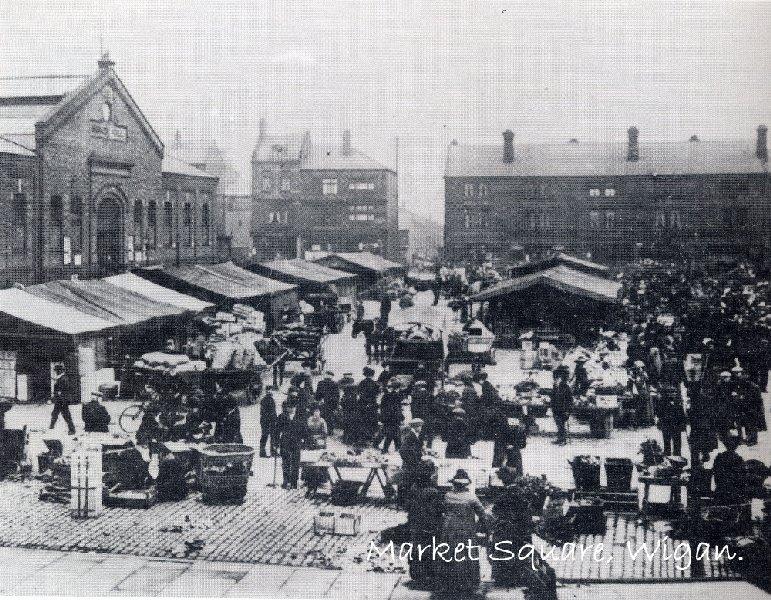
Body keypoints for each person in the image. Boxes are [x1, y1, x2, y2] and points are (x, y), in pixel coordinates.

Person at [434, 469, 486, 593]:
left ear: (454, 484)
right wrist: (483, 528)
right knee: (467, 557)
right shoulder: (472, 498)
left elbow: (440, 511)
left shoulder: (447, 496)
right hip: (466, 531)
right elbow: (483, 515)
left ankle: (448, 584)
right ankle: (467, 584)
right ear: (466, 484)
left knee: (449, 555)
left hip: (449, 531)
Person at [491, 466, 534, 585]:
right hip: (518, 527)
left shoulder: (508, 492)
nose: (500, 478)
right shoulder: (518, 491)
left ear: (506, 478)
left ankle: (505, 578)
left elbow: (497, 509)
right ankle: (517, 577)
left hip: (508, 527)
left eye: (501, 476)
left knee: (506, 549)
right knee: (517, 550)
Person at [406, 460, 444, 585]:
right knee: (430, 547)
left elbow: (408, 506)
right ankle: (430, 572)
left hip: (415, 523)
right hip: (429, 524)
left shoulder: (414, 487)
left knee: (417, 546)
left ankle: (417, 572)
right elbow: (438, 510)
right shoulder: (433, 492)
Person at [274, 403, 304, 489]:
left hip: (296, 442)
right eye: (290, 407)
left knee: (296, 462)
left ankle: (294, 482)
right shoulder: (281, 416)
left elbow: (303, 428)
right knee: (285, 462)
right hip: (285, 442)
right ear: (286, 408)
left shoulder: (299, 416)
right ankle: (286, 481)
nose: (292, 408)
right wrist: (276, 444)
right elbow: (276, 431)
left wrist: (304, 439)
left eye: (293, 406)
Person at [302, 404, 329, 497]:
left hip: (319, 443)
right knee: (309, 462)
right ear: (313, 412)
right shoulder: (309, 420)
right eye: (315, 411)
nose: (317, 413)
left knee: (319, 463)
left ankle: (320, 480)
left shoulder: (322, 421)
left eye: (318, 411)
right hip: (309, 443)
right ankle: (307, 480)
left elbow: (325, 434)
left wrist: (318, 438)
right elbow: (305, 430)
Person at [712, 436, 747, 505]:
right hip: (734, 493)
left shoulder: (719, 457)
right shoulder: (739, 459)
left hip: (721, 491)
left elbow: (716, 475)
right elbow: (742, 478)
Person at [735, 366, 765, 445]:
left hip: (753, 408)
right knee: (748, 423)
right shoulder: (745, 385)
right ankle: (750, 438)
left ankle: (753, 440)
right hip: (747, 407)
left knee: (752, 424)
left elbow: (755, 399)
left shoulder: (753, 387)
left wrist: (742, 397)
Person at [654, 385, 687, 456]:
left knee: (677, 444)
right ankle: (668, 458)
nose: (672, 394)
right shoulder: (661, 402)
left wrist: (683, 424)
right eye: (670, 392)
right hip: (666, 425)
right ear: (666, 393)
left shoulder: (678, 402)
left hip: (676, 426)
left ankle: (677, 459)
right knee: (667, 444)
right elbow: (658, 413)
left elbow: (681, 414)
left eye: (674, 392)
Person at [399, 418, 424, 505]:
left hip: (412, 464)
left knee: (408, 483)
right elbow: (402, 450)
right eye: (420, 426)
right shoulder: (410, 435)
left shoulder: (414, 435)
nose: (421, 428)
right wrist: (411, 461)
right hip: (410, 465)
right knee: (407, 483)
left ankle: (407, 502)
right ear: (416, 426)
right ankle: (404, 502)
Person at [49, 364, 76, 435]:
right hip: (60, 400)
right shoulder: (61, 378)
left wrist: (57, 394)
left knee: (66, 415)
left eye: (57, 371)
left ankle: (72, 429)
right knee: (55, 413)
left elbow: (63, 390)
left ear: (60, 371)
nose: (56, 372)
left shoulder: (63, 378)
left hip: (63, 400)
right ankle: (51, 426)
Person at [379, 380, 404, 453]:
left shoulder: (386, 395)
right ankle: (385, 449)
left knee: (395, 432)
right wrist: (401, 417)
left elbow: (382, 407)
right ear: (398, 388)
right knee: (392, 434)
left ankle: (398, 447)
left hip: (387, 417)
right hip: (394, 417)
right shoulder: (397, 396)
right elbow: (397, 408)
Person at [550, 366, 573, 445]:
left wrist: (568, 411)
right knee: (558, 424)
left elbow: (570, 400)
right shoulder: (555, 386)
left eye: (557, 378)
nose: (555, 380)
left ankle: (563, 440)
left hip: (563, 409)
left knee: (561, 424)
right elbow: (553, 396)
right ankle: (560, 439)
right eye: (555, 378)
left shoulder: (566, 387)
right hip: (556, 408)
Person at [358, 367, 381, 443]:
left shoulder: (362, 383)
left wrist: (365, 402)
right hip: (372, 405)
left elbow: (360, 394)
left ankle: (363, 437)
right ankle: (371, 436)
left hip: (363, 404)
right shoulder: (375, 384)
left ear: (365, 375)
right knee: (372, 420)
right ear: (372, 375)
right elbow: (377, 395)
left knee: (363, 420)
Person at [259, 387, 277, 457]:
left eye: (270, 390)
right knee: (265, 435)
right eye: (268, 391)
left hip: (271, 420)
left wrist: (275, 419)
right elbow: (263, 412)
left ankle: (273, 451)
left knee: (273, 436)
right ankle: (262, 452)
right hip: (265, 421)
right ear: (266, 392)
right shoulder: (264, 400)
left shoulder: (272, 400)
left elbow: (274, 411)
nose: (269, 392)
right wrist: (270, 418)